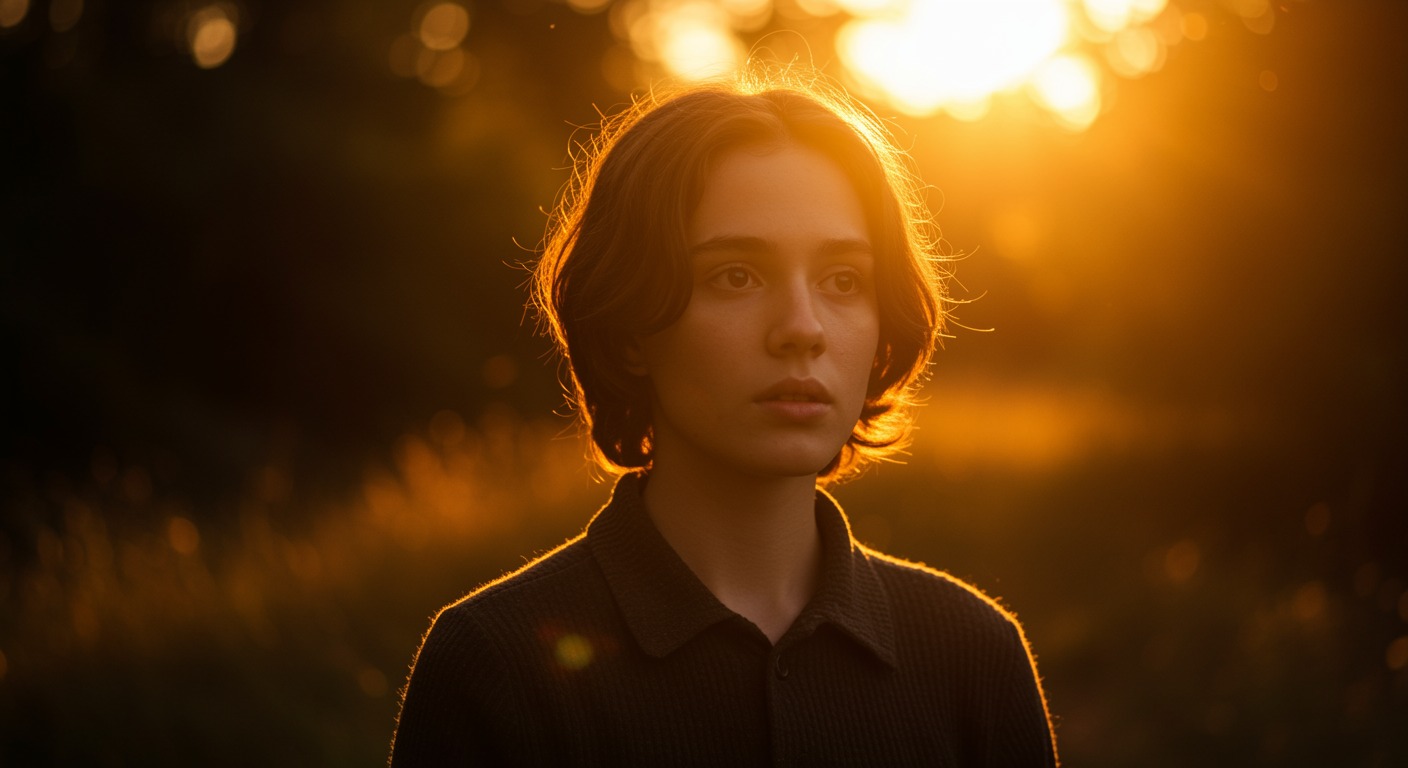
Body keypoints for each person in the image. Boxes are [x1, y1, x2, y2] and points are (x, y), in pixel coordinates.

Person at [389, 71, 1057, 766]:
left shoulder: (975, 655)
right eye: (735, 275)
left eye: (843, 281)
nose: (803, 329)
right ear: (627, 329)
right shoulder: (493, 666)